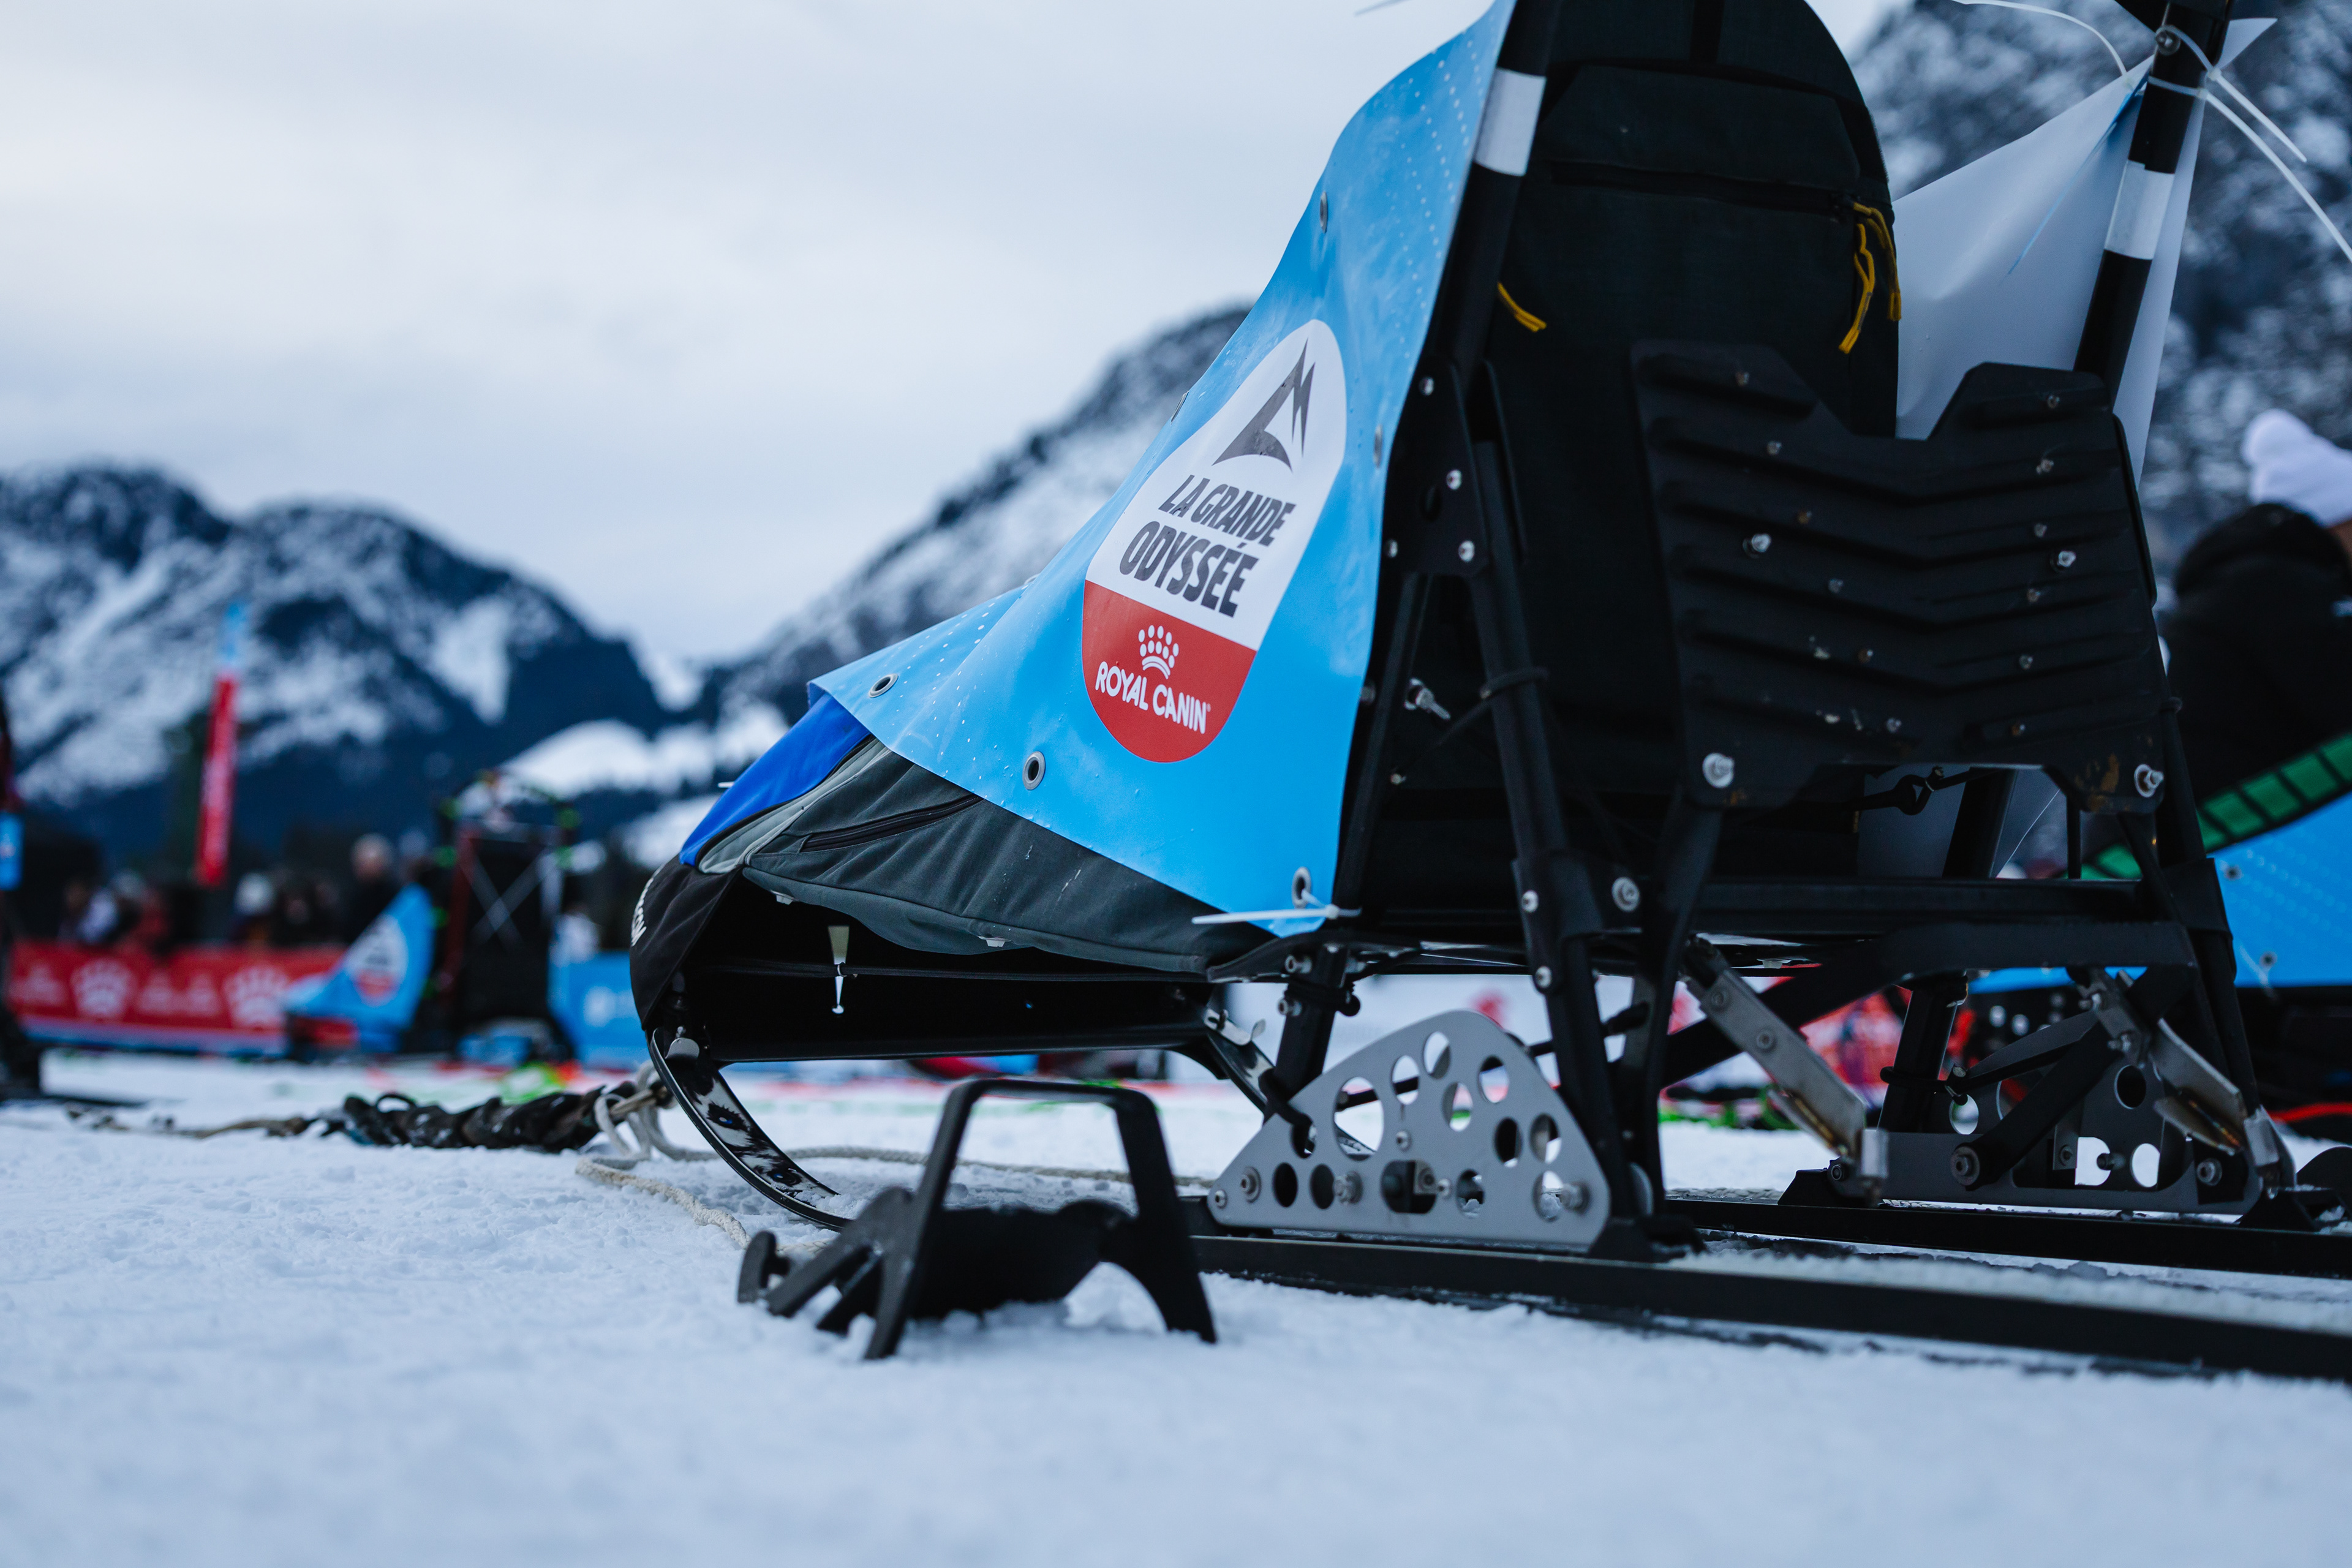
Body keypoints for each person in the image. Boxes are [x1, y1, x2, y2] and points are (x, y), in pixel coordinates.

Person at [2162, 409, 2352, 797]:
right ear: (2335, 521)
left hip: (2176, 831)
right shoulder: (2279, 590)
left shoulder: (2243, 584)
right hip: (2226, 825)